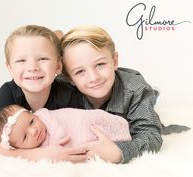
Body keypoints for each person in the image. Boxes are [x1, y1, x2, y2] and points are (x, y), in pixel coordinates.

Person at [0, 24, 87, 163]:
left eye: (42, 59)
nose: (32, 67)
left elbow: (79, 126)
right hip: (13, 101)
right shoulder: (8, 91)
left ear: (58, 66)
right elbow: (1, 143)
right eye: (21, 60)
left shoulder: (68, 93)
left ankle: (56, 40)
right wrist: (42, 155)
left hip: (55, 77)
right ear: (10, 69)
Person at [59, 25, 163, 163]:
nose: (93, 77)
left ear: (114, 61)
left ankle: (152, 95)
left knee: (146, 102)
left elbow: (152, 135)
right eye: (80, 71)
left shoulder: (135, 90)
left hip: (129, 91)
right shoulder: (61, 88)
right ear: (69, 78)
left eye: (100, 64)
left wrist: (118, 152)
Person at [0, 104, 132, 150]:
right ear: (18, 148)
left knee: (96, 119)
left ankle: (119, 128)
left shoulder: (44, 115)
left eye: (31, 122)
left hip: (83, 121)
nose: (34, 130)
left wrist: (55, 145)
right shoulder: (38, 151)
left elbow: (62, 130)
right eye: (25, 136)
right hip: (86, 143)